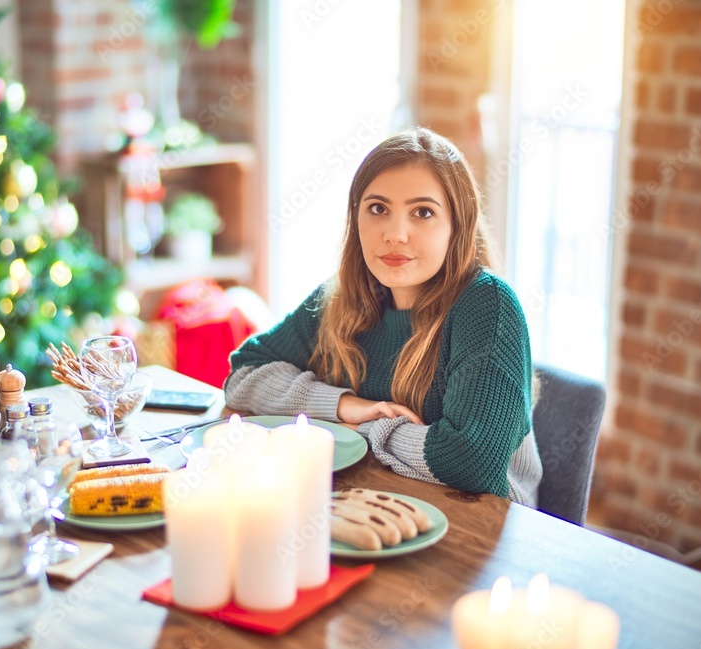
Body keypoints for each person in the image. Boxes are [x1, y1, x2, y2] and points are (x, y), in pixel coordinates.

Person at [225, 127, 542, 506]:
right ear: (355, 217)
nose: (395, 233)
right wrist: (343, 406)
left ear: (458, 225)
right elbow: (243, 374)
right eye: (378, 208)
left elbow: (472, 462)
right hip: (369, 500)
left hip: (481, 527)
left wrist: (363, 429)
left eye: (422, 212)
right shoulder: (346, 294)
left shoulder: (487, 304)